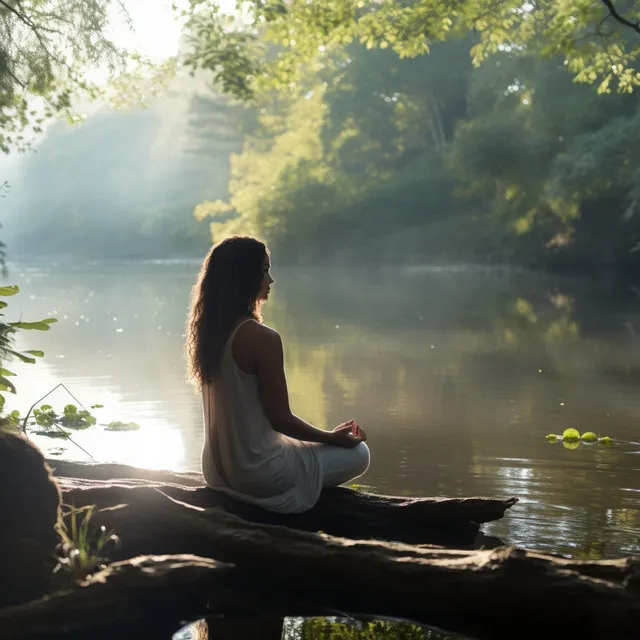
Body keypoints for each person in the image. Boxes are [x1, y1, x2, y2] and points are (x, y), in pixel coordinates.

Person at [186, 236, 370, 513]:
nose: (270, 280)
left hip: (215, 470)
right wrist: (332, 438)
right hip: (257, 474)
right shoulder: (262, 338)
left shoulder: (208, 333)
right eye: (264, 271)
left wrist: (320, 438)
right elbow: (280, 420)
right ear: (244, 277)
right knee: (360, 453)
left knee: (297, 447)